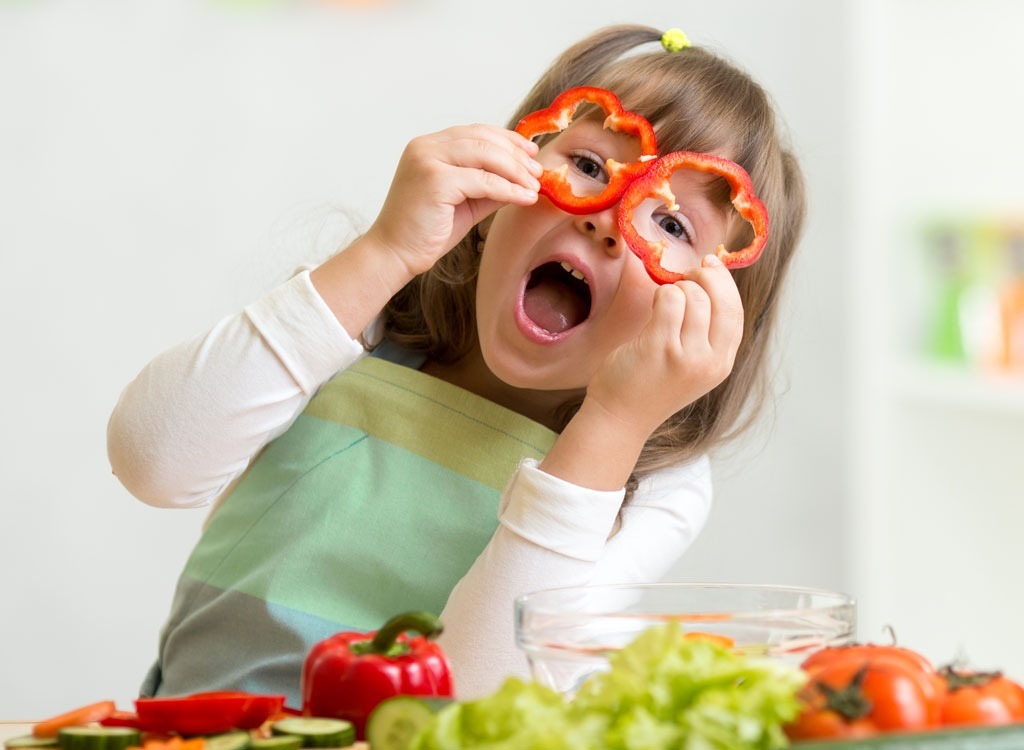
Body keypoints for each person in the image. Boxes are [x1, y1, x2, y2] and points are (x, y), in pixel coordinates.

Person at [107, 23, 807, 704]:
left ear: (713, 311)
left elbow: (483, 695)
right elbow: (152, 462)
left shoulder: (658, 481)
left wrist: (615, 423)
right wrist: (383, 251)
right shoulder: (363, 315)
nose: (607, 218)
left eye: (672, 224)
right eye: (589, 165)